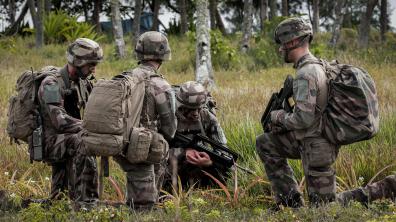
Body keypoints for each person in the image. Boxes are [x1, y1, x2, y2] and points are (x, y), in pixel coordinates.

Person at [255, 17, 339, 208]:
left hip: (316, 146)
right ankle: (290, 202)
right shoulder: (319, 66)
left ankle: (382, 189)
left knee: (325, 209)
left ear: (292, 42)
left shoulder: (305, 74)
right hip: (313, 140)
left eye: (281, 44)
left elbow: (303, 118)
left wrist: (278, 117)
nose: (280, 49)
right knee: (265, 142)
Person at [112, 31, 177, 211]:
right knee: (144, 207)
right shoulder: (160, 85)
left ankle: (132, 205)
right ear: (162, 55)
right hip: (144, 145)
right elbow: (170, 128)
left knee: (136, 183)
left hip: (119, 141)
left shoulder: (124, 78)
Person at [38, 38, 103, 205]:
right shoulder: (51, 84)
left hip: (66, 139)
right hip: (49, 141)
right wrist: (90, 128)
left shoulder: (84, 83)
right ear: (77, 62)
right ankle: (86, 203)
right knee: (83, 143)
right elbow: (59, 121)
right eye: (90, 64)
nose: (94, 69)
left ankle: (58, 203)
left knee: (60, 196)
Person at [163, 81, 228, 190]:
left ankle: (209, 189)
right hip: (173, 161)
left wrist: (209, 161)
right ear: (181, 106)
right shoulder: (167, 118)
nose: (196, 113)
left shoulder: (207, 117)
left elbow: (223, 150)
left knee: (223, 164)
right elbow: (156, 151)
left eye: (199, 108)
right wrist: (183, 153)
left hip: (199, 158)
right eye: (191, 109)